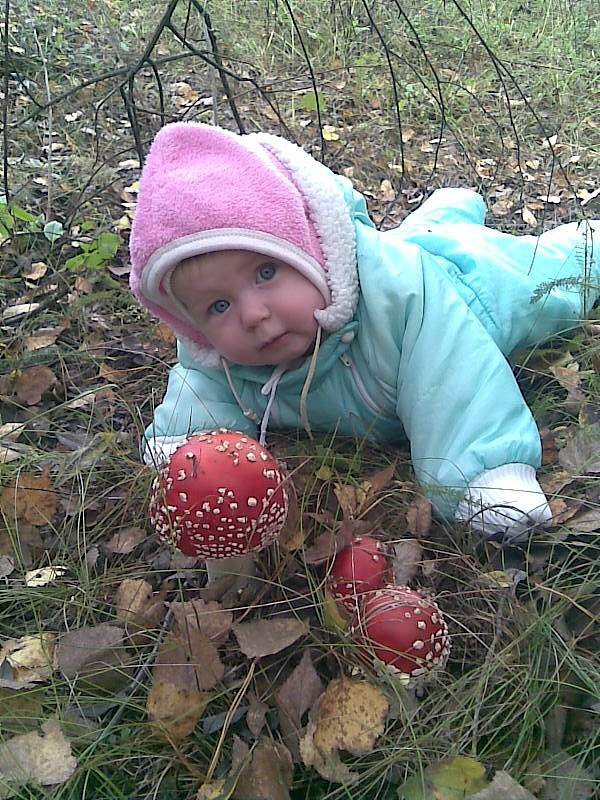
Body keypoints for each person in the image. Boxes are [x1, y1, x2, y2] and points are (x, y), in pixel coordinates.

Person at [129, 122, 599, 542]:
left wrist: (481, 478)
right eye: (219, 306)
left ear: (315, 250)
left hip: (470, 286)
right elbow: (201, 394)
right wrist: (186, 456)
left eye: (266, 272)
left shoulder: (405, 297)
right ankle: (445, 210)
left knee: (548, 282)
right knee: (419, 235)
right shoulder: (219, 358)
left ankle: (582, 240)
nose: (252, 314)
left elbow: (453, 373)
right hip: (407, 256)